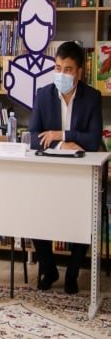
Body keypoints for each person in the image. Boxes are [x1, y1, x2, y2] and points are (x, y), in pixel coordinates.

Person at [29, 40, 102, 294]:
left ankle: (72, 274)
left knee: (86, 216)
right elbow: (32, 137)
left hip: (80, 175)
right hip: (48, 173)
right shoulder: (43, 95)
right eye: (58, 68)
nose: (61, 74)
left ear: (79, 72)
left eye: (68, 69)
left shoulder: (92, 97)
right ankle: (49, 269)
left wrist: (60, 134)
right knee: (34, 213)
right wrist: (62, 145)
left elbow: (93, 140)